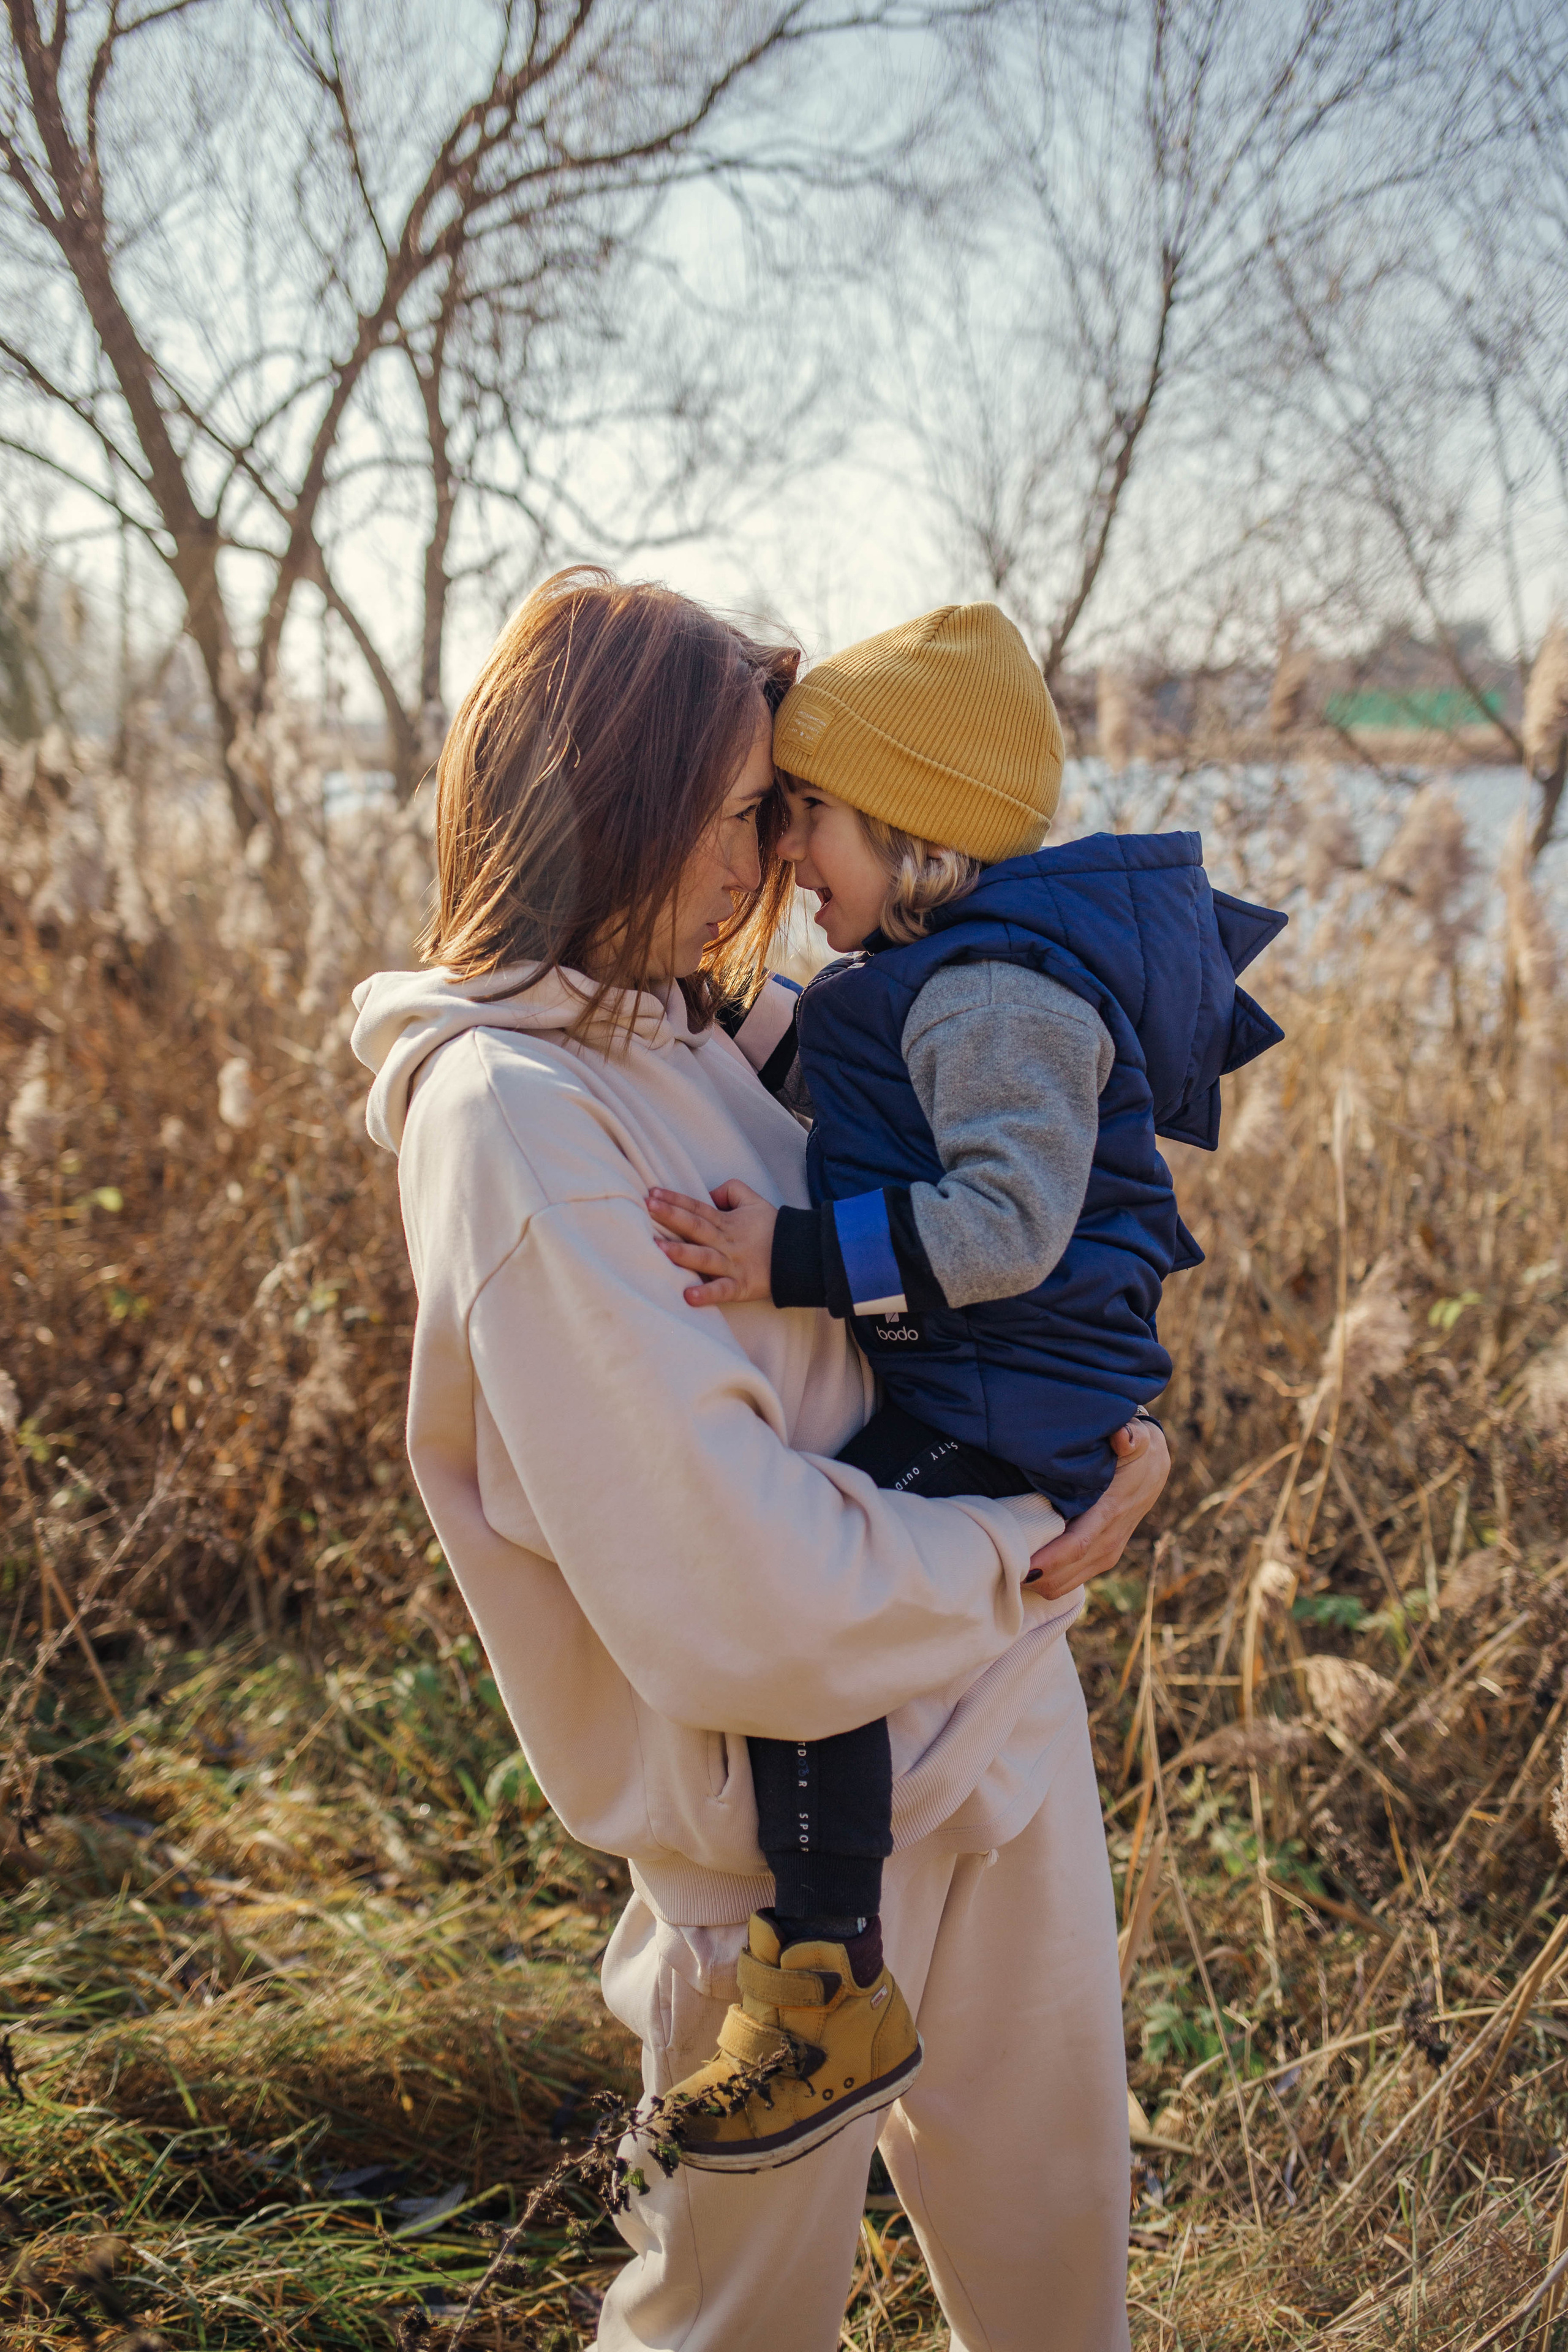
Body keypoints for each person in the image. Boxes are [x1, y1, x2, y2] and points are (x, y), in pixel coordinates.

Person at [351, 567, 1170, 2352]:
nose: (780, 865)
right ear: (620, 804)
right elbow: (749, 1605)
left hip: (1007, 1751)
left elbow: (994, 1257)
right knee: (735, 2332)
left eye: (791, 815)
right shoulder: (514, 1118)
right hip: (790, 1893)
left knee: (1062, 2305)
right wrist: (1025, 1540)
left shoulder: (717, 1030)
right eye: (746, 816)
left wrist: (1115, 1442)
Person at [646, 601, 1286, 2170]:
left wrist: (786, 1261)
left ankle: (824, 1986)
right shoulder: (940, 977)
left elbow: (1000, 1225)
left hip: (1010, 1399)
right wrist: (720, 1017)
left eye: (809, 819)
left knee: (818, 1615)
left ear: (910, 827)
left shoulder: (1002, 998)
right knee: (824, 1589)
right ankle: (833, 1968)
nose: (790, 855)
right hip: (987, 1382)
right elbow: (877, 1104)